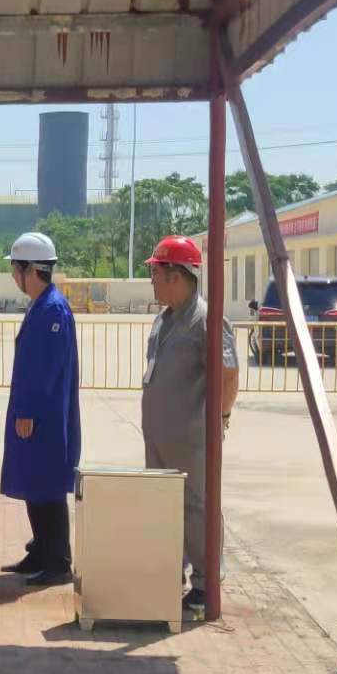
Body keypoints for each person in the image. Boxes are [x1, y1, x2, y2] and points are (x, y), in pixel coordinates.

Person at [139, 235, 238, 614]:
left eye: (155, 273)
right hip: (160, 436)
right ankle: (171, 573)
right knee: (164, 506)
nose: (151, 280)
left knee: (197, 507)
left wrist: (221, 420)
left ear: (176, 276)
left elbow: (228, 374)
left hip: (192, 438)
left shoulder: (206, 320)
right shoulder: (165, 318)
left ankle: (205, 581)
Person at [0, 232, 81, 587]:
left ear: (30, 270)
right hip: (36, 412)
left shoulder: (52, 309)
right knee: (34, 481)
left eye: (15, 269)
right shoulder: (41, 304)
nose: (13, 276)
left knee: (47, 485)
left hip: (45, 415)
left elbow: (45, 369)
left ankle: (58, 560)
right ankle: (41, 549)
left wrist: (28, 411)